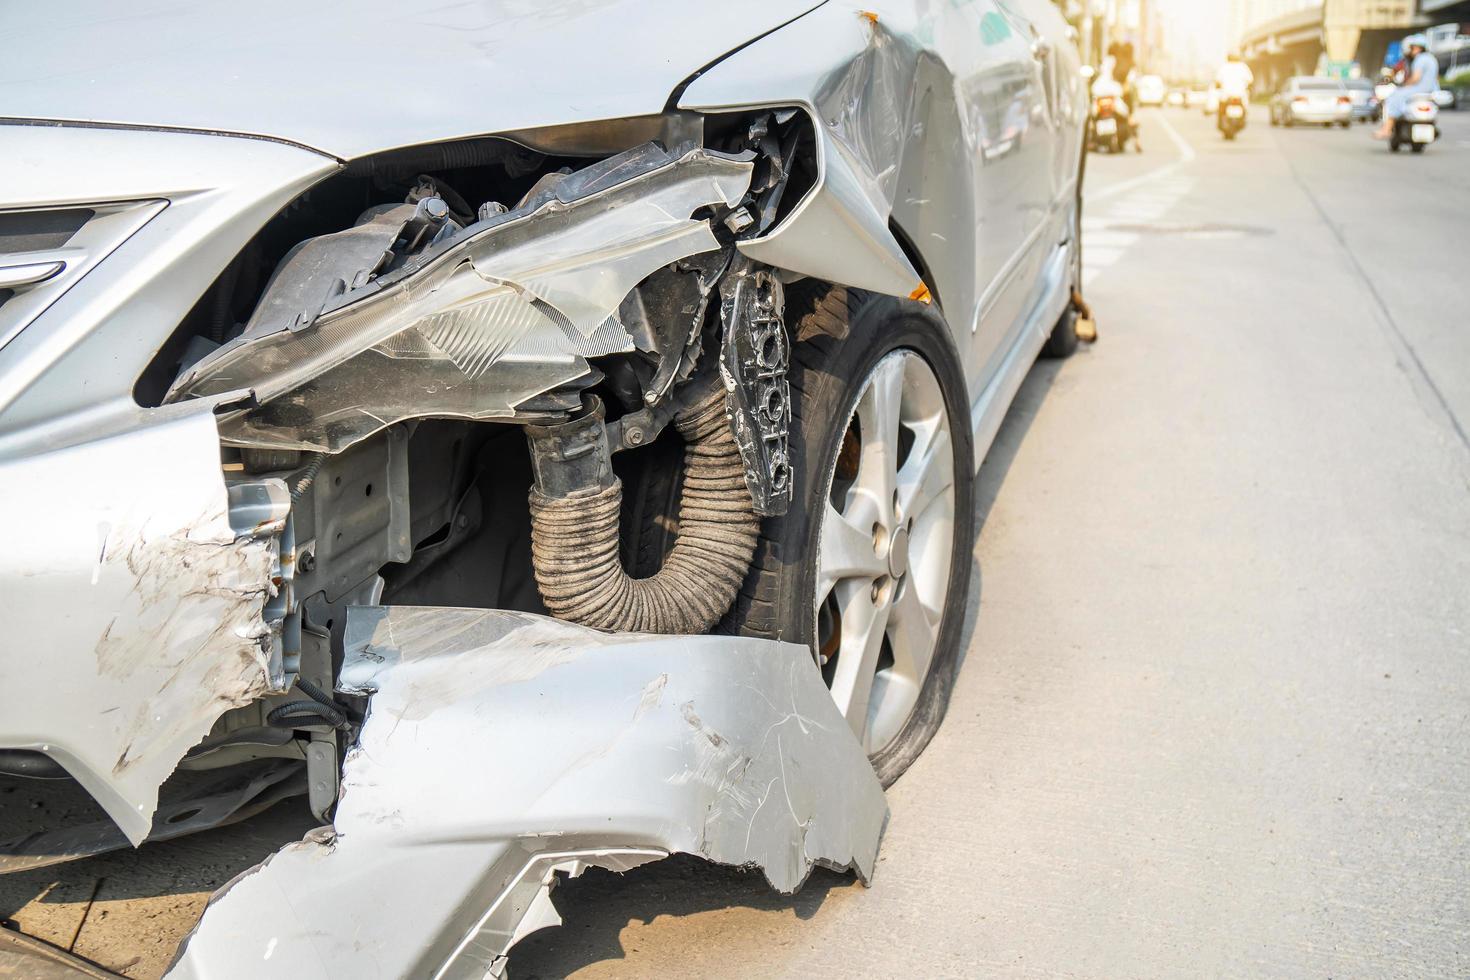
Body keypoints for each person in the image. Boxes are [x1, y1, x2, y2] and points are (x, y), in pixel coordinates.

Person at [1374, 35, 1439, 139]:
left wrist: (1405, 85)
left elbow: (1416, 78)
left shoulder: (1420, 59)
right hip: (1431, 91)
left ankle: (1387, 129)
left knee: (1394, 96)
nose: (1411, 50)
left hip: (1420, 88)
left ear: (1418, 48)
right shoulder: (1432, 59)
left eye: (1413, 48)